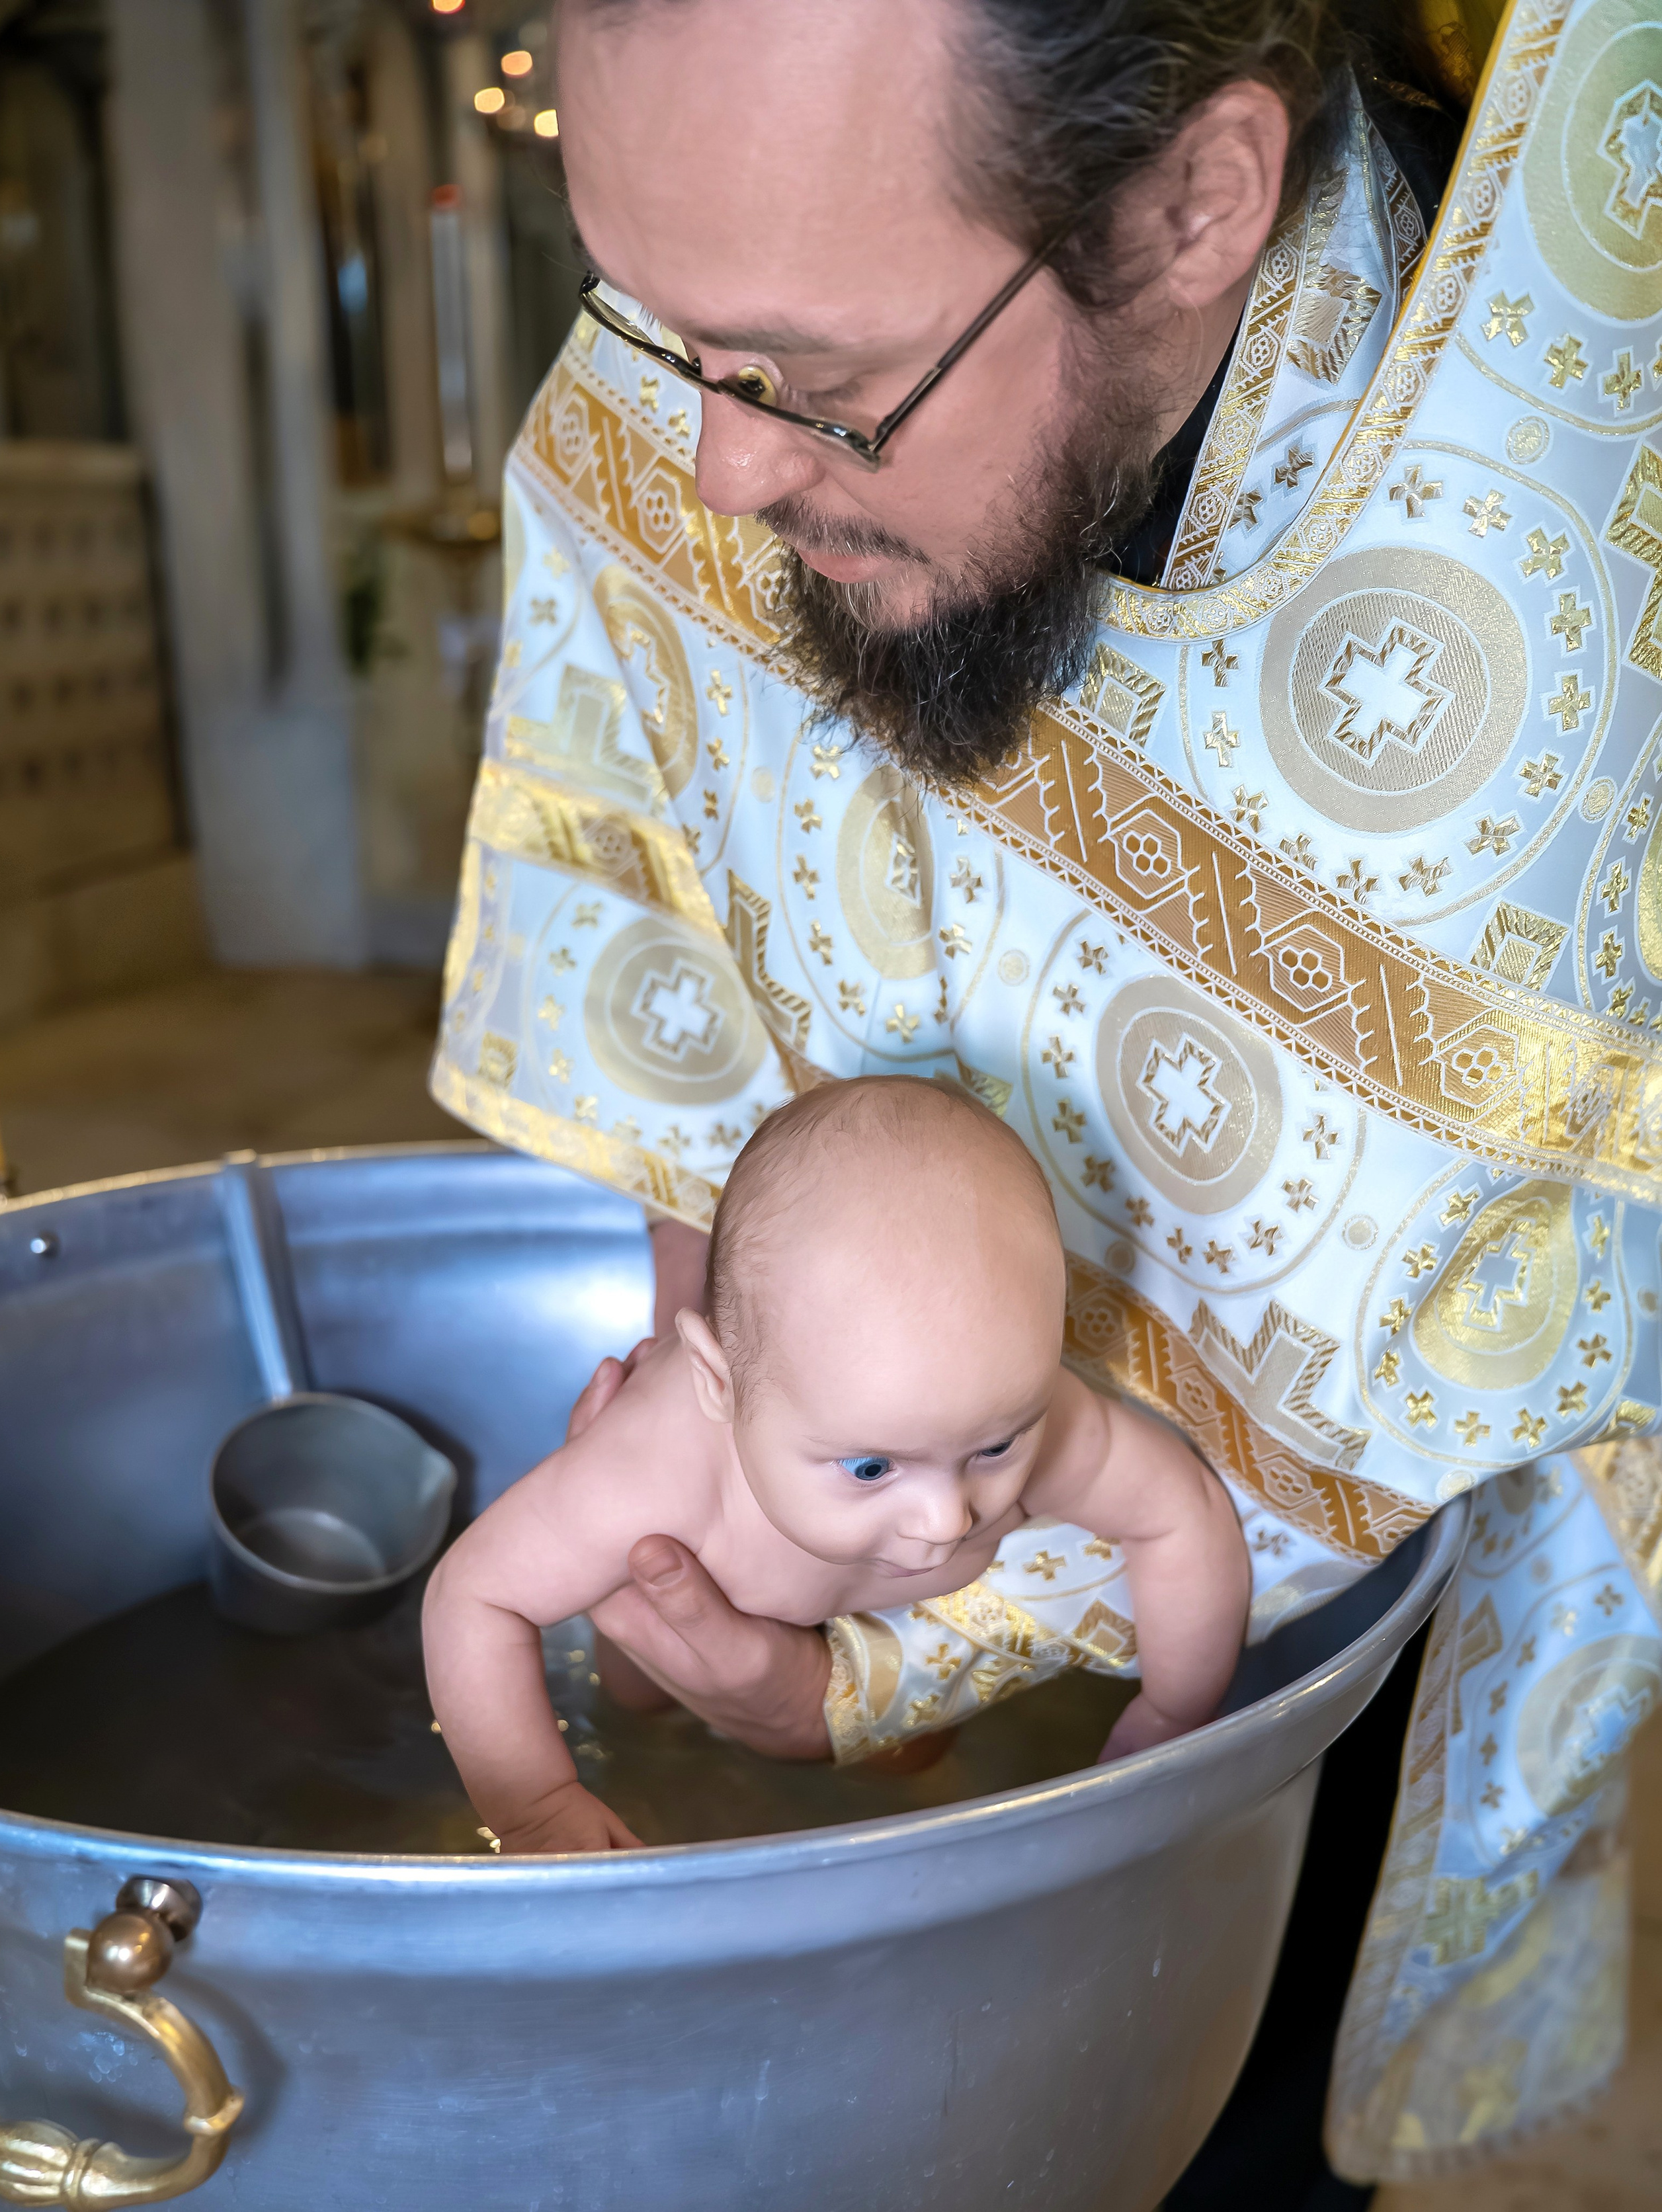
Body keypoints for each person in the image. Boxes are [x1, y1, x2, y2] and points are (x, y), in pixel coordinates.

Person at [431, 0, 1662, 2196]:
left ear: (1194, 207)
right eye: (662, 321)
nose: (723, 467)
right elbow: (662, 854)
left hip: (1298, 1680)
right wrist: (723, 1443)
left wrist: (886, 1669)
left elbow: (1347, 1399)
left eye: (817, 385)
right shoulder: (726, 354)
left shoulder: (1530, 617)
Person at [424, 1077, 1248, 1852]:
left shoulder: (1033, 1416)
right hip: (672, 1571)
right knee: (639, 1670)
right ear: (720, 1385)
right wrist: (534, 1803)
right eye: (870, 1469)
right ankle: (643, 1716)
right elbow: (475, 1595)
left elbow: (1181, 1513)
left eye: (993, 1448)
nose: (947, 1520)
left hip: (861, 1611)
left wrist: (1174, 1712)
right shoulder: (647, 1482)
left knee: (908, 1744)